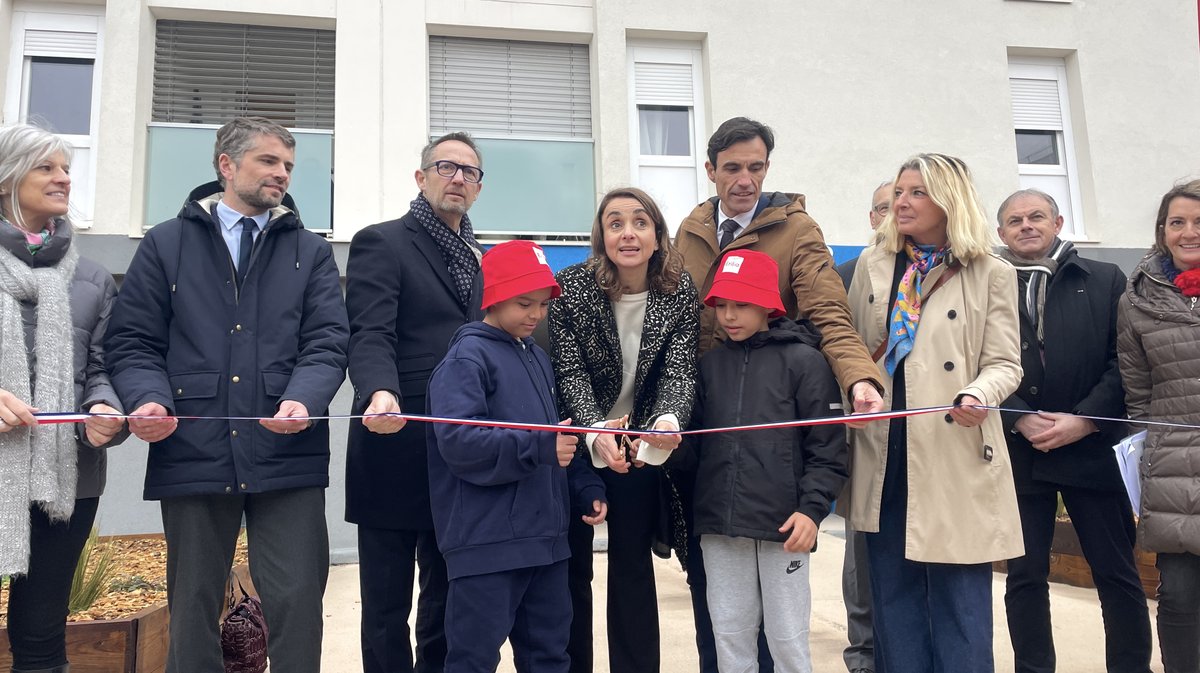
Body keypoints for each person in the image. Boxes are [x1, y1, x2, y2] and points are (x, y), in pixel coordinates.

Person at [104, 116, 349, 673]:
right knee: (190, 604)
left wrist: (305, 400)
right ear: (226, 165)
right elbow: (134, 339)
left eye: (288, 165)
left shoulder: (308, 251)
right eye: (268, 161)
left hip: (288, 449)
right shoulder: (167, 243)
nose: (282, 174)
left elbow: (329, 341)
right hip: (191, 444)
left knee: (296, 599)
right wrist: (149, 398)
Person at [674, 116, 883, 673]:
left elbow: (829, 312)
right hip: (709, 440)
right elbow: (668, 327)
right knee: (721, 620)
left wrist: (858, 375)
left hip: (774, 446)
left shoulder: (798, 230)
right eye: (734, 167)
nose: (745, 179)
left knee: (785, 633)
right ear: (711, 169)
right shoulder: (690, 229)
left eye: (757, 167)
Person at [844, 152, 1023, 671]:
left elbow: (1006, 363)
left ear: (949, 200)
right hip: (886, 453)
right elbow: (853, 348)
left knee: (960, 604)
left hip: (955, 449)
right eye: (899, 192)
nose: (902, 202)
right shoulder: (872, 266)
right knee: (893, 603)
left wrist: (979, 393)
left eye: (916, 192)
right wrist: (857, 385)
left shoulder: (992, 272)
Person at [426, 239, 608, 673]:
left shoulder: (539, 359)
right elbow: (459, 442)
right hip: (485, 547)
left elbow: (558, 439)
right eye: (525, 303)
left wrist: (586, 488)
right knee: (472, 660)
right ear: (493, 297)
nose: (536, 314)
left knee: (549, 658)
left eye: (543, 304)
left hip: (545, 545)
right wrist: (540, 447)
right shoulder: (465, 359)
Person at [344, 131, 485, 673]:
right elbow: (370, 332)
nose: (458, 178)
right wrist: (379, 390)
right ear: (421, 177)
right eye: (447, 167)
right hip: (394, 440)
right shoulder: (382, 242)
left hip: (460, 450)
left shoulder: (481, 257)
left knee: (447, 598)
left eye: (470, 172)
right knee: (385, 602)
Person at [996, 188, 1151, 673]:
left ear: (1058, 222)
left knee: (1117, 575)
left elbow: (1124, 360)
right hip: (1021, 454)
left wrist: (1085, 419)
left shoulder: (1105, 279)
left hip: (1092, 451)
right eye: (1015, 220)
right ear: (1000, 233)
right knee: (1024, 578)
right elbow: (976, 360)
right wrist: (1017, 415)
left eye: (1036, 216)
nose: (1027, 226)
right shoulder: (986, 284)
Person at [548, 187, 698, 673]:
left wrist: (667, 423)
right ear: (602, 235)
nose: (627, 233)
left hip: (641, 446)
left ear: (657, 234)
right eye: (615, 223)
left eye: (639, 222)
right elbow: (569, 373)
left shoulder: (679, 290)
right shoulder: (571, 286)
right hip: (580, 443)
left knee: (632, 569)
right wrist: (594, 433)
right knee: (573, 570)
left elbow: (680, 371)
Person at [0, 123, 126, 673]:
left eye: (67, 169)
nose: (63, 179)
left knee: (42, 628)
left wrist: (104, 409)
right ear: (7, 177)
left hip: (66, 473)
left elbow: (105, 367)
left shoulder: (95, 278)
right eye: (46, 168)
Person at [690, 249, 847, 673]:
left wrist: (812, 511)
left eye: (740, 304)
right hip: (720, 528)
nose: (728, 315)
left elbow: (828, 447)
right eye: (721, 305)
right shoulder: (709, 366)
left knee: (788, 640)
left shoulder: (806, 362)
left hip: (786, 528)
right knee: (730, 637)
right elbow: (692, 449)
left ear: (768, 305)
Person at [1117, 179, 1200, 673]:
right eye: (1178, 222)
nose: (1189, 232)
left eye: (1199, 222)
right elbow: (1138, 394)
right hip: (1173, 466)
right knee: (1181, 596)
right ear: (1162, 230)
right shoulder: (1137, 299)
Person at [834, 180, 892, 673]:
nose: (896, 213)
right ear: (872, 219)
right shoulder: (849, 273)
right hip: (868, 433)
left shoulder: (943, 269)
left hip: (930, 435)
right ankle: (864, 654)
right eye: (885, 207)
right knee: (863, 554)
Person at [836, 180, 892, 288]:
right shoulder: (844, 276)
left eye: (900, 208)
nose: (893, 215)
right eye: (885, 208)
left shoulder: (926, 268)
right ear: (872, 219)